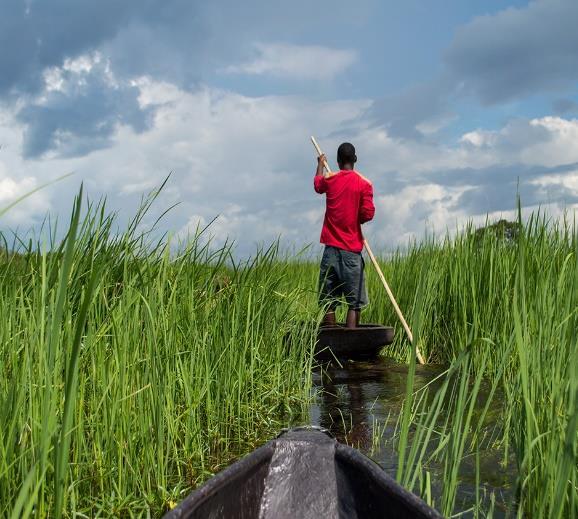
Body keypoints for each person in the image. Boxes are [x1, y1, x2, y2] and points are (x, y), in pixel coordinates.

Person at [314, 142, 375, 328]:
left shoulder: (330, 179)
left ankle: (332, 346)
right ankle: (351, 346)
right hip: (351, 252)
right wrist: (357, 219)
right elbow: (368, 214)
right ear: (354, 160)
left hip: (330, 251)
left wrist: (320, 164)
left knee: (328, 301)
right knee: (354, 303)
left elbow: (318, 185)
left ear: (339, 161)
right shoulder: (364, 184)